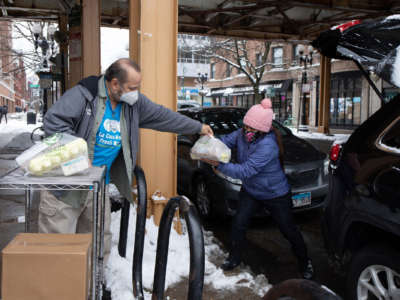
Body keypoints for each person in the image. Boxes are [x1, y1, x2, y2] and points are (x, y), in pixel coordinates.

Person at [40, 58, 213, 278]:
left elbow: (163, 116)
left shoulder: (133, 104)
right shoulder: (84, 94)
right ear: (114, 84)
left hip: (96, 188)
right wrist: (78, 155)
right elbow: (53, 122)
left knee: (97, 246)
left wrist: (197, 127)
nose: (136, 92)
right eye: (132, 87)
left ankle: (90, 288)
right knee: (58, 250)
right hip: (64, 188)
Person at [202, 98, 314, 280]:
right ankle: (234, 257)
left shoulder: (268, 145)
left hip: (275, 194)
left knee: (288, 230)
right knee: (239, 223)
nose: (247, 131)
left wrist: (219, 165)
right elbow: (225, 141)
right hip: (252, 191)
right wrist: (209, 144)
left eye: (251, 128)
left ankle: (305, 261)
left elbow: (246, 170)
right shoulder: (241, 133)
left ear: (263, 129)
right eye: (246, 126)